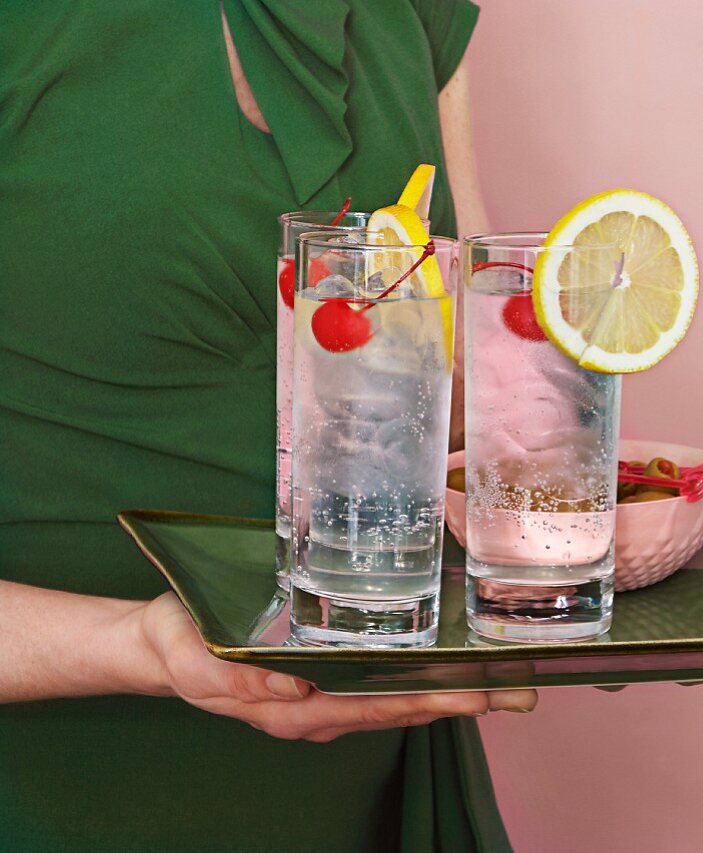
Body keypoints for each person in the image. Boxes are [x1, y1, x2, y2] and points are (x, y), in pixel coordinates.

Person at [0, 2, 535, 850]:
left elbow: (474, 406)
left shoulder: (413, 16)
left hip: (362, 790)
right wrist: (136, 644)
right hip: (50, 793)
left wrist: (577, 536)